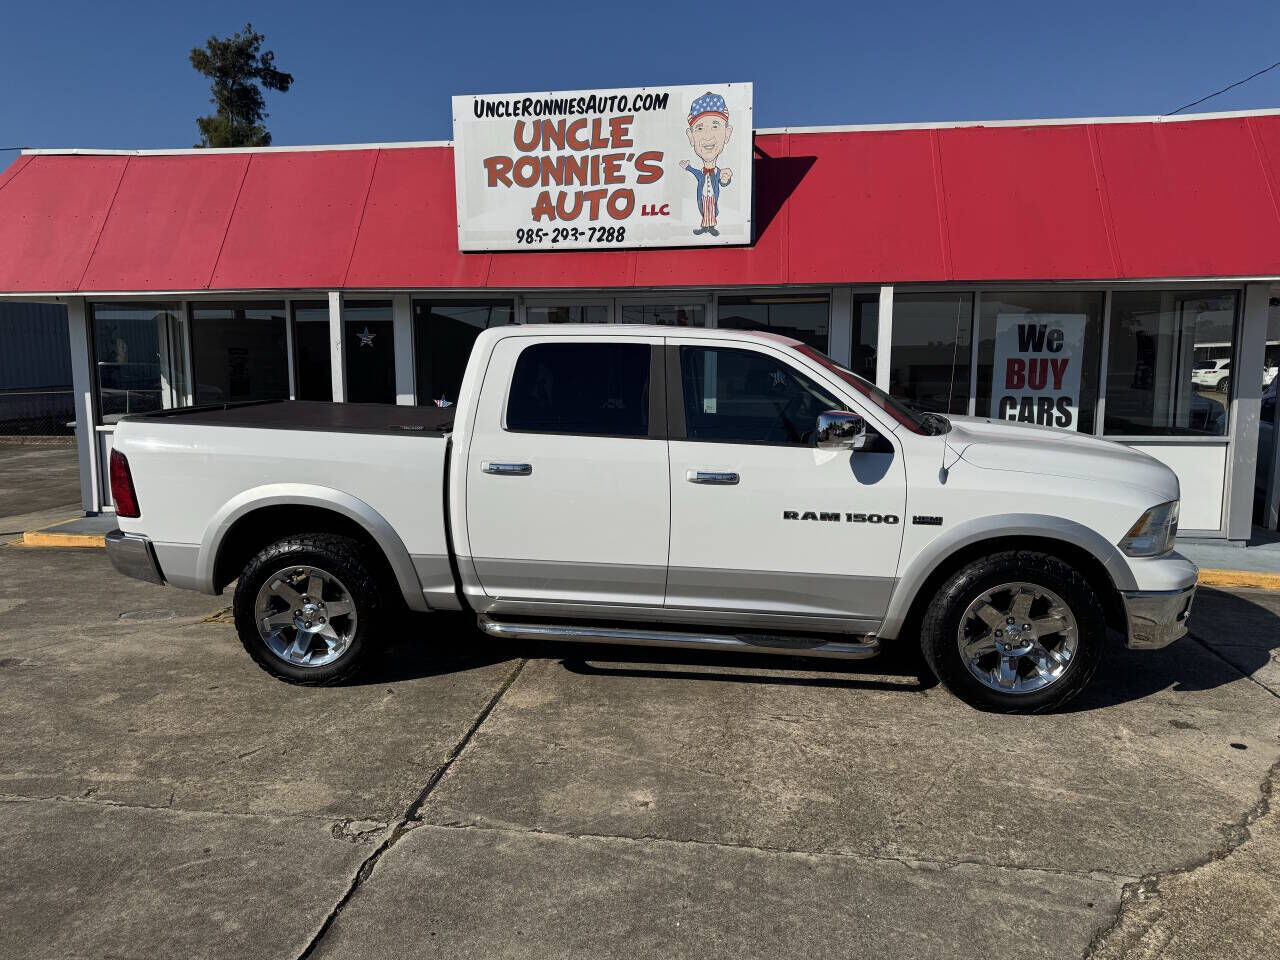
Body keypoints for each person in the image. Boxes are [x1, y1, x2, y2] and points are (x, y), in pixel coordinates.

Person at [678, 92, 733, 236]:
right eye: (700, 128)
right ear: (691, 137)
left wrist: (726, 179)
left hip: (712, 197)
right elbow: (695, 172)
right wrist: (687, 167)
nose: (708, 136)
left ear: (727, 133)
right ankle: (705, 227)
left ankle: (711, 227)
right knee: (705, 209)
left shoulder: (718, 171)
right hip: (703, 196)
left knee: (711, 210)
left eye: (715, 126)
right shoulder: (701, 172)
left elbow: (723, 180)